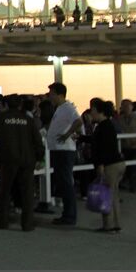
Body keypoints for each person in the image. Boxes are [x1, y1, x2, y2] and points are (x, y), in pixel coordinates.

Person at [0, 94, 44, 231]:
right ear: (20, 105)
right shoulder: (28, 120)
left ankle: (3, 222)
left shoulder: (1, 118)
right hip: (27, 160)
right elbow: (38, 140)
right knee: (27, 193)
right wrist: (39, 157)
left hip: (8, 159)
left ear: (6, 105)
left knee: (5, 191)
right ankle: (27, 224)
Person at [45, 83, 81, 225]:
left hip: (64, 151)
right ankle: (67, 213)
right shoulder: (60, 108)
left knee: (66, 183)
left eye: (52, 94)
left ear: (60, 95)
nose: (50, 96)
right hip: (59, 150)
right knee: (64, 182)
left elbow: (78, 122)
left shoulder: (67, 108)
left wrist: (66, 135)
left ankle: (70, 215)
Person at [88, 99, 125, 233]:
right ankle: (115, 224)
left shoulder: (103, 126)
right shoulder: (109, 125)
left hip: (110, 165)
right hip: (117, 163)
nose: (91, 113)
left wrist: (100, 164)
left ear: (99, 111)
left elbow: (103, 148)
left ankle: (108, 225)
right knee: (113, 194)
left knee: (106, 195)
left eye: (92, 110)